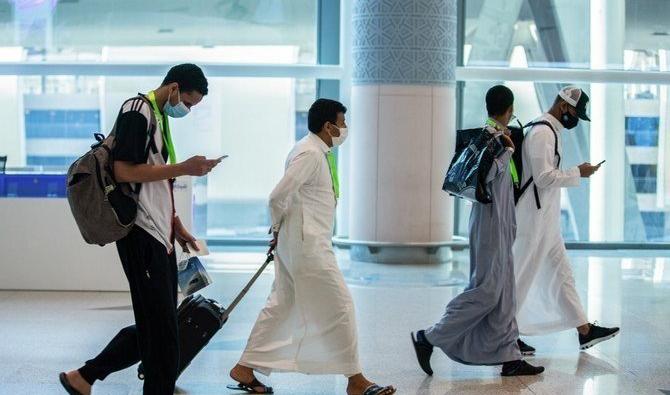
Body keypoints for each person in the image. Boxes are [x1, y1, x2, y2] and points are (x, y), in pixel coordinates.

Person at [59, 64, 220, 395]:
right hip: (141, 235)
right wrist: (185, 167)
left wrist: (176, 226)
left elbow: (156, 185)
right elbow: (124, 172)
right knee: (162, 334)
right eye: (188, 103)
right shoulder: (138, 110)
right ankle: (89, 376)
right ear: (174, 88)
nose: (186, 110)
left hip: (159, 238)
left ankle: (84, 376)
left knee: (159, 328)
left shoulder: (157, 118)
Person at [228, 99, 395, 395]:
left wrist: (281, 233)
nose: (345, 129)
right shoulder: (310, 154)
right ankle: (356, 381)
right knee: (341, 305)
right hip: (308, 246)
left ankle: (246, 366)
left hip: (302, 242)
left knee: (282, 304)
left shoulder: (314, 151)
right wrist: (277, 229)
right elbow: (277, 196)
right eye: (342, 123)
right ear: (328, 126)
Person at [411, 85, 544, 377]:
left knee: (505, 290)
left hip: (500, 222)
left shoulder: (497, 138)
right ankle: (430, 336)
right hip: (490, 223)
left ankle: (510, 357)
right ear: (508, 110)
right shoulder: (492, 140)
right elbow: (490, 178)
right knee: (488, 289)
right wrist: (507, 149)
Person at [513, 86, 620, 354]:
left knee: (562, 274)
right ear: (563, 106)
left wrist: (575, 172)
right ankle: (506, 335)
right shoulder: (542, 133)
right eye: (575, 112)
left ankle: (584, 330)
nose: (576, 118)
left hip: (546, 219)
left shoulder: (550, 132)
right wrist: (578, 172)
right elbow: (543, 177)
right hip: (532, 220)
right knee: (521, 278)